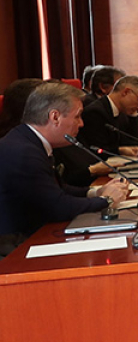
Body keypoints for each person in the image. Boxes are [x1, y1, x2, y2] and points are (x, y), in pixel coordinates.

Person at [0, 83, 129, 256]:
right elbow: (58, 207)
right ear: (55, 117)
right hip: (15, 248)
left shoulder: (27, 140)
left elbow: (57, 189)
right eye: (77, 116)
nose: (81, 124)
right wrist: (106, 200)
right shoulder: (24, 152)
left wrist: (95, 192)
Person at [78, 75, 138, 156]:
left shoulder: (122, 112)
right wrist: (119, 151)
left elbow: (136, 141)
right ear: (126, 92)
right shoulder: (95, 112)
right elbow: (96, 149)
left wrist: (134, 113)